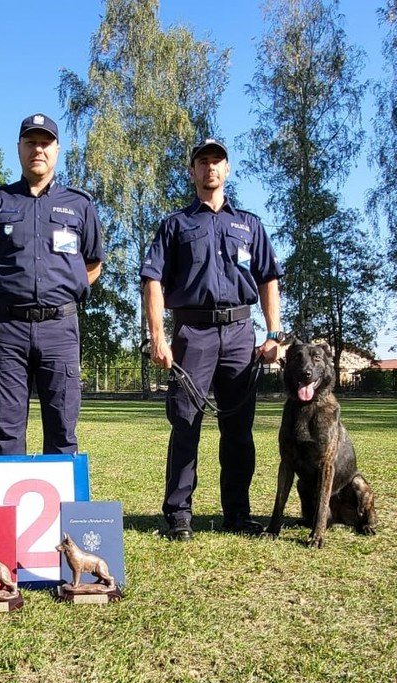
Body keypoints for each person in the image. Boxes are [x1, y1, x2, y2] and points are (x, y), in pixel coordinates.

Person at [141, 138, 285, 541]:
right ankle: (178, 515)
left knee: (239, 429)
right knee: (186, 424)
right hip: (193, 333)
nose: (210, 168)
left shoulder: (250, 224)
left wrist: (274, 335)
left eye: (217, 161)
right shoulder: (175, 225)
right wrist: (158, 336)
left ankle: (237, 513)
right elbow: (152, 281)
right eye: (202, 162)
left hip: (241, 333)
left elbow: (269, 279)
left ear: (227, 169)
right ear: (192, 172)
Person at [0, 113, 104, 455]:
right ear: (19, 149)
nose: (38, 150)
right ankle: (9, 509)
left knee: (62, 428)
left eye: (45, 143)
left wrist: (64, 292)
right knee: (6, 428)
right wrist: (9, 291)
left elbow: (93, 263)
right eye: (31, 143)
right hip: (9, 327)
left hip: (60, 328)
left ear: (57, 150)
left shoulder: (80, 204)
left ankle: (58, 508)